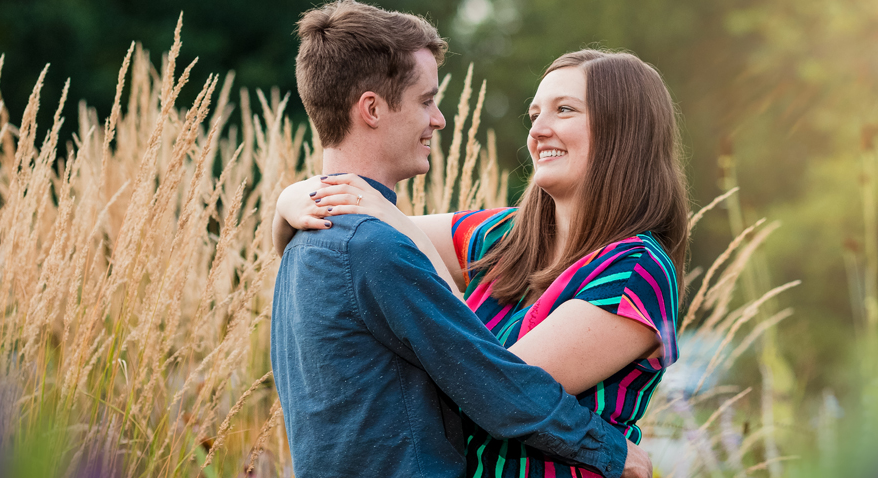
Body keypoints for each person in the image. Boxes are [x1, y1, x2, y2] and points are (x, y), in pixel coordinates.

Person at [270, 2, 652, 478]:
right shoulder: (375, 248)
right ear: (371, 109)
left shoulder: (314, 241)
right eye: (426, 100)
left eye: (564, 110)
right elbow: (488, 382)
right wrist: (609, 451)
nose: (440, 119)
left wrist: (294, 198)